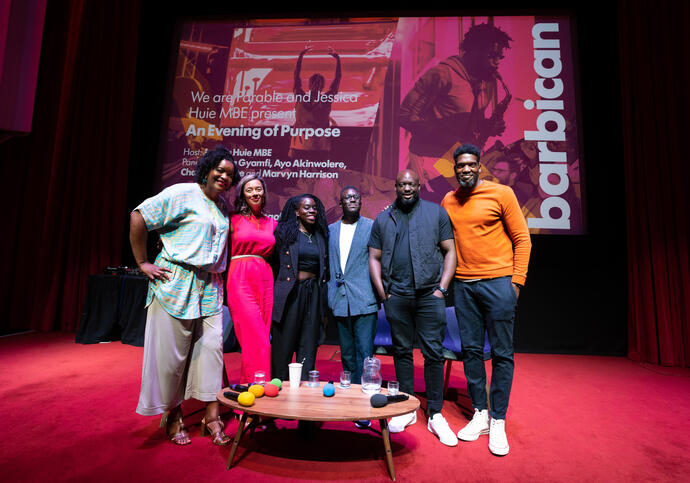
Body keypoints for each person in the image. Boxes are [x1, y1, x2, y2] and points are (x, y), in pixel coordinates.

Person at [130, 145, 240, 446]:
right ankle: (173, 413)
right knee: (173, 356)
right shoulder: (182, 192)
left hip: (210, 285)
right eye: (219, 170)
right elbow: (139, 216)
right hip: (176, 280)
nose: (224, 177)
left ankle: (212, 415)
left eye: (230, 175)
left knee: (212, 352)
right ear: (206, 169)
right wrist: (142, 262)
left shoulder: (220, 206)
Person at [441, 143, 532, 456]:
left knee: (503, 354)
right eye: (460, 166)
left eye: (471, 165)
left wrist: (515, 284)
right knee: (470, 351)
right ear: (455, 169)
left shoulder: (502, 193)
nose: (465, 169)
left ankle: (498, 419)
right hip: (464, 286)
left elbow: (523, 239)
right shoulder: (448, 200)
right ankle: (480, 412)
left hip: (499, 283)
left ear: (479, 166)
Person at [368, 170, 458, 446]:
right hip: (398, 296)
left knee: (433, 352)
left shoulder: (436, 213)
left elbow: (450, 251)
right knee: (402, 351)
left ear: (418, 186)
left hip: (429, 295)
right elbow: (374, 257)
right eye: (402, 184)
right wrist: (384, 294)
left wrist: (442, 289)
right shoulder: (383, 219)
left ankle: (435, 413)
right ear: (395, 187)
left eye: (411, 184)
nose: (406, 188)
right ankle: (408, 406)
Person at [399, 23, 513, 190]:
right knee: (458, 204)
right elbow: (405, 115)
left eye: (499, 57)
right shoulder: (442, 75)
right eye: (491, 56)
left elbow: (469, 119)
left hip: (456, 155)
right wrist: (449, 139)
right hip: (431, 155)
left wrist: (487, 126)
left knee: (490, 196)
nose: (496, 63)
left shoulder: (486, 80)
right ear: (474, 51)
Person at [271, 194, 329, 382]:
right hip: (291, 294)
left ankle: (303, 391)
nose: (312, 211)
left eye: (314, 207)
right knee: (284, 344)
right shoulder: (285, 233)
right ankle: (279, 388)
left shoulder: (320, 235)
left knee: (308, 344)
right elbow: (274, 264)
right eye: (307, 207)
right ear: (296, 212)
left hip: (313, 295)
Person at [226, 174, 277, 384]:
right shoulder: (232, 219)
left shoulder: (272, 223)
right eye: (249, 190)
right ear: (242, 194)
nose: (255, 193)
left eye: (258, 189)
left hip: (265, 280)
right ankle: (251, 396)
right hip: (240, 277)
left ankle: (257, 393)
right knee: (256, 341)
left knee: (264, 338)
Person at [327, 186, 378, 384]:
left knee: (364, 351)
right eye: (347, 197)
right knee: (346, 351)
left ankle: (362, 390)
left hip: (365, 298)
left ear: (361, 201)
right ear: (340, 204)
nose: (352, 199)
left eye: (356, 196)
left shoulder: (372, 226)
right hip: (340, 298)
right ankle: (349, 389)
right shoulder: (331, 230)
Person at [288, 45, 342, 159]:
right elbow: (337, 81)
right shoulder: (326, 100)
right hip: (320, 148)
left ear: (308, 84)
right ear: (323, 86)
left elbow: (296, 77)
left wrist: (300, 56)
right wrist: (337, 58)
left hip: (299, 148)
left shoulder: (300, 97)